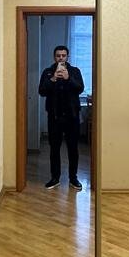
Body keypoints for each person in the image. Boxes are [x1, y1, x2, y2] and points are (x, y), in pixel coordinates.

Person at [38, 45, 84, 190]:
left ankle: (73, 178)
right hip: (54, 117)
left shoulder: (75, 71)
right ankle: (55, 178)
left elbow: (80, 88)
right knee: (54, 148)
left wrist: (68, 78)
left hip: (72, 117)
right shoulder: (47, 72)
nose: (61, 58)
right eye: (58, 55)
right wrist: (52, 79)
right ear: (54, 57)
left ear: (67, 57)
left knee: (73, 148)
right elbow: (41, 91)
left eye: (63, 55)